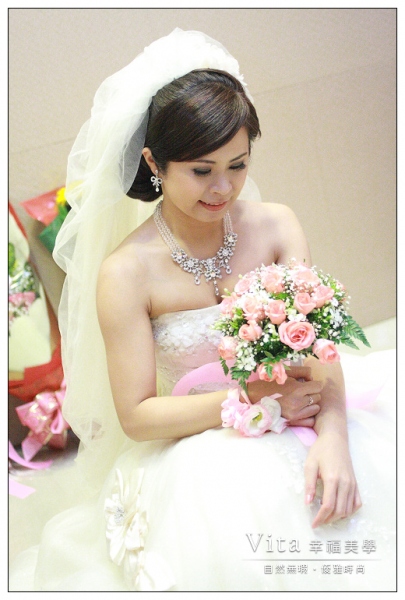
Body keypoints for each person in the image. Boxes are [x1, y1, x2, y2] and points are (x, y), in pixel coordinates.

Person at [9, 29, 395, 592]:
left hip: (308, 411)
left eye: (237, 165)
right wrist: (254, 400)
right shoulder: (127, 272)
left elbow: (319, 348)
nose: (223, 188)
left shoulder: (277, 224)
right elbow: (138, 415)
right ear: (154, 163)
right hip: (201, 442)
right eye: (200, 170)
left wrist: (333, 437)